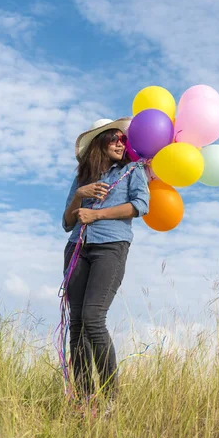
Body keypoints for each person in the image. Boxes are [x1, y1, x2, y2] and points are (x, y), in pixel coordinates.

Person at [62, 117, 149, 412]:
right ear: (99, 141)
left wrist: (98, 215)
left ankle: (111, 397)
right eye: (113, 137)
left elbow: (141, 205)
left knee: (93, 318)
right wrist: (79, 196)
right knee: (76, 325)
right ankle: (85, 400)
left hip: (110, 247)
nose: (119, 143)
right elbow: (67, 222)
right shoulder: (82, 178)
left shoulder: (132, 169)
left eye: (122, 139)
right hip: (77, 247)